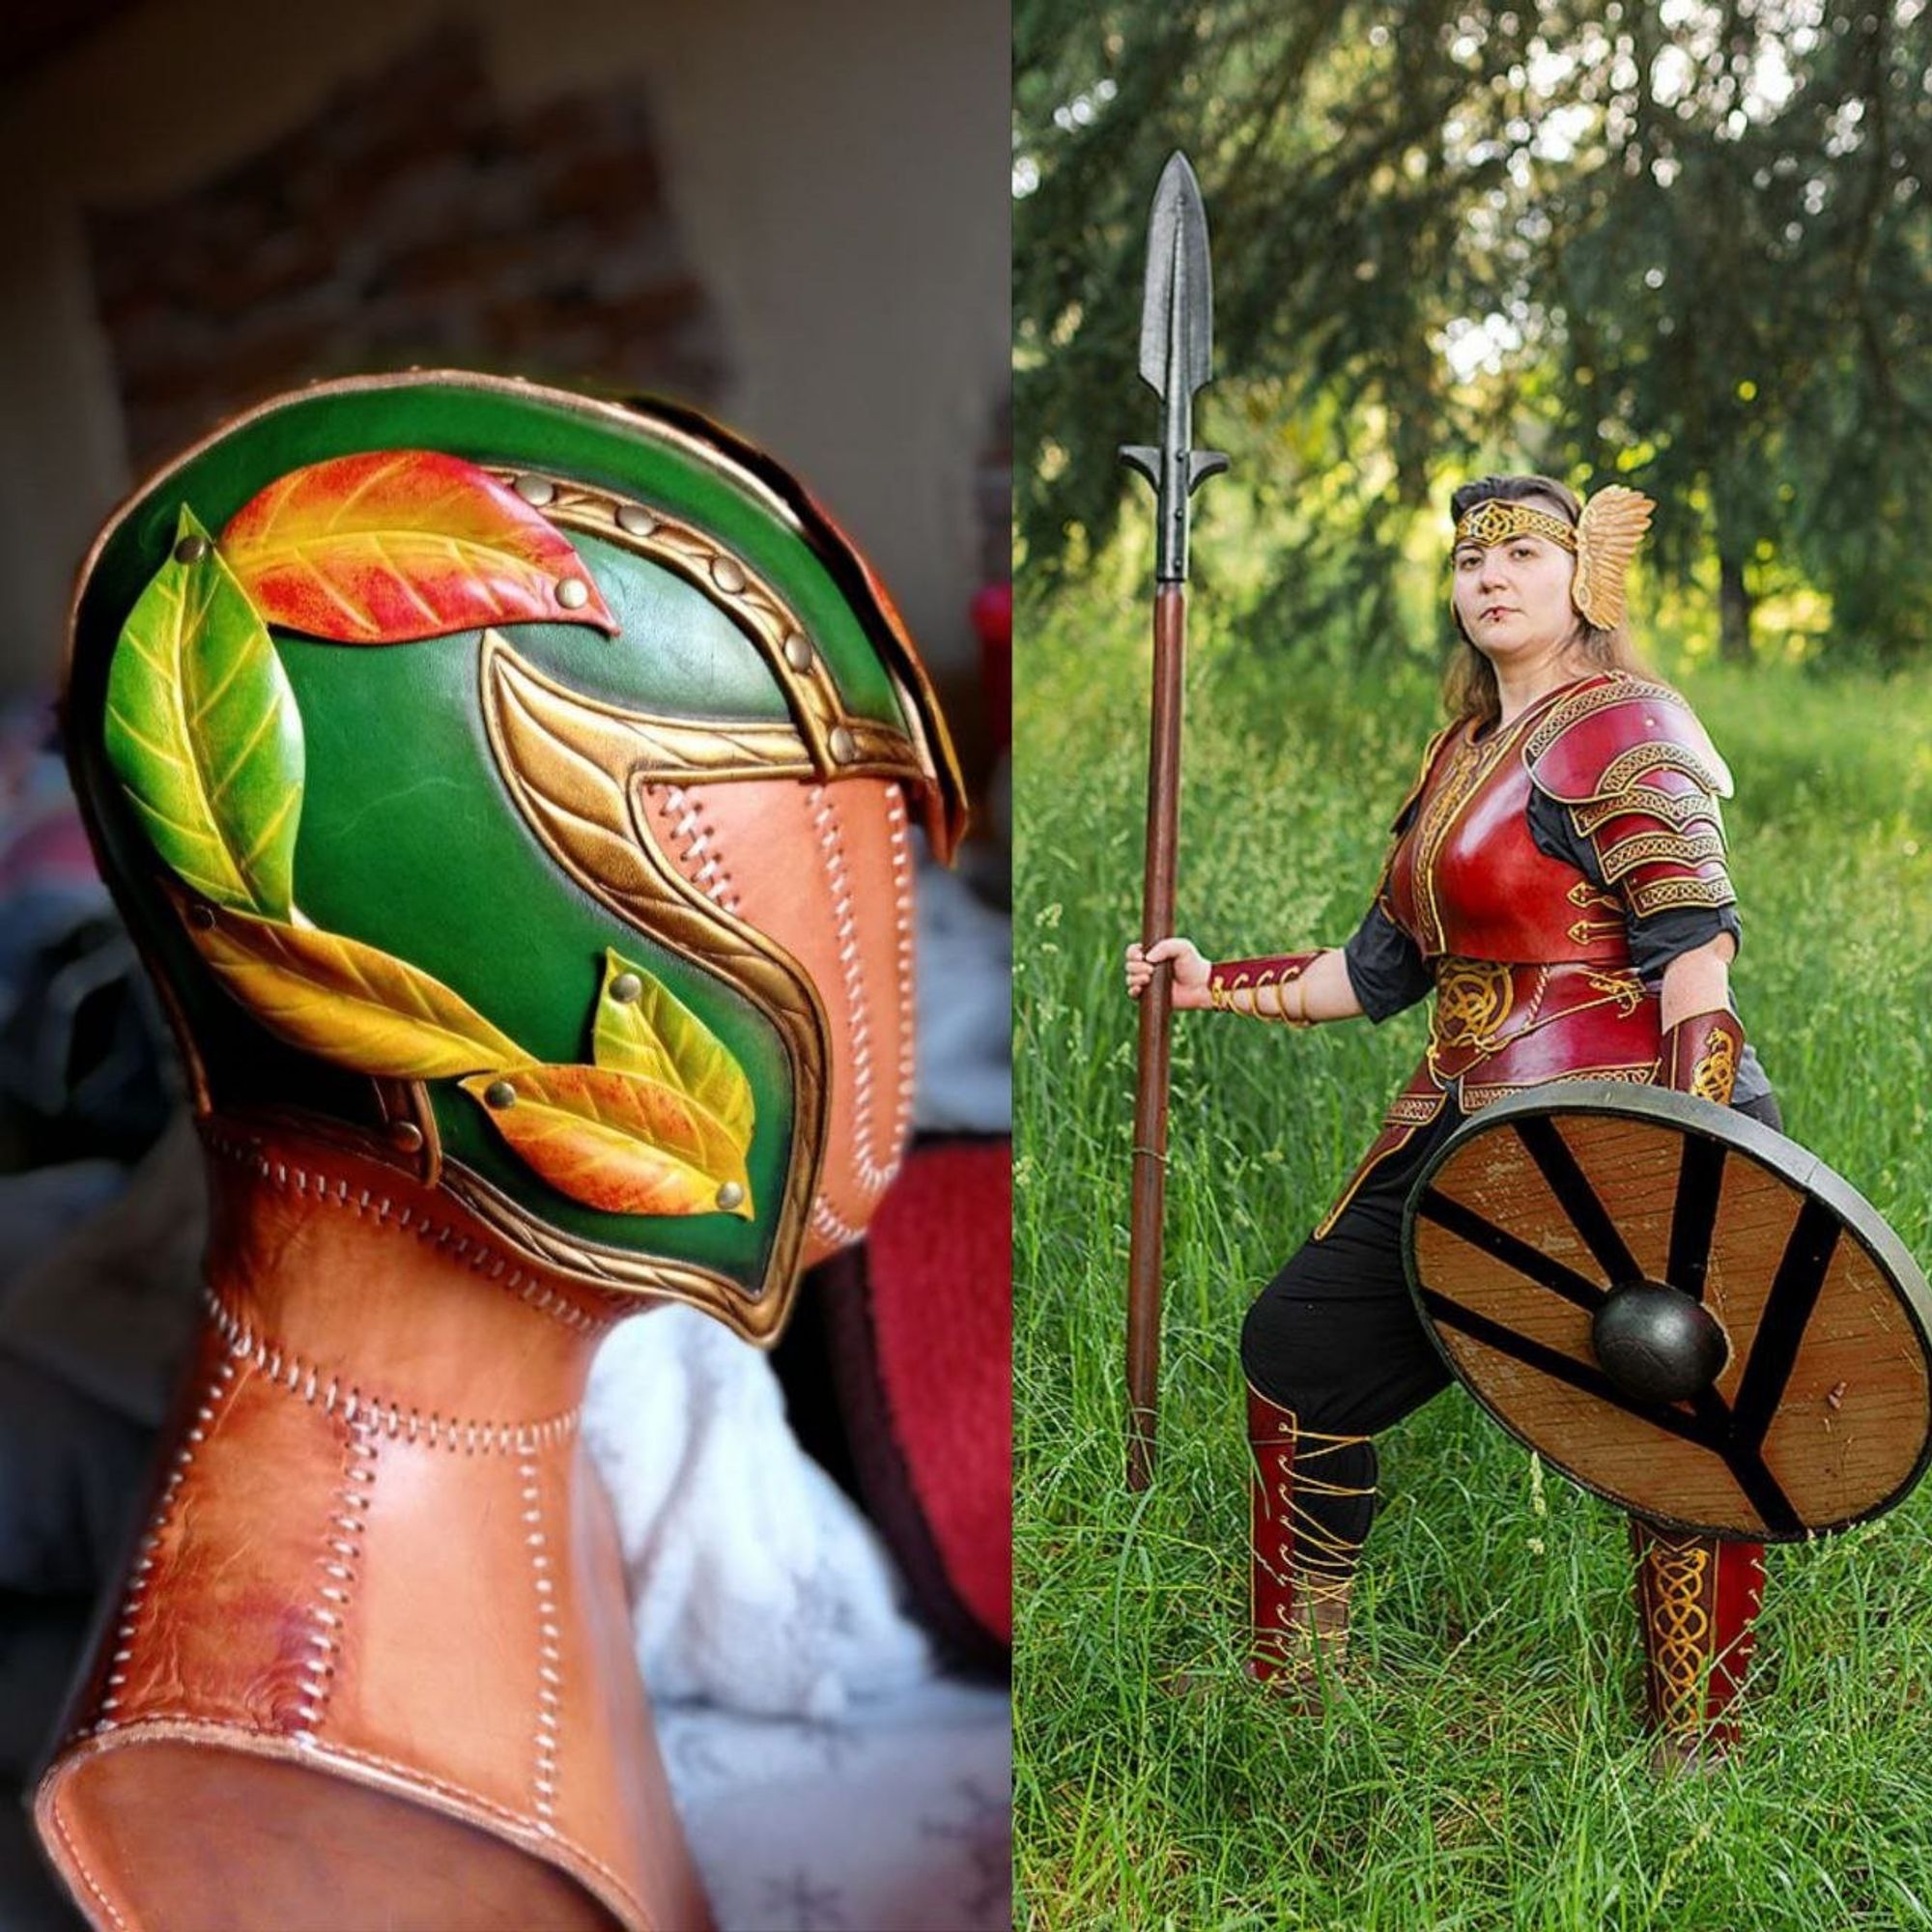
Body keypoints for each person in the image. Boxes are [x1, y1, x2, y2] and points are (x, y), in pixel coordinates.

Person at [1123, 473, 1778, 1767]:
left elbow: (1698, 967)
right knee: (1303, 1355)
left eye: (1522, 553)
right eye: (1470, 560)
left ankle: (1698, 1746)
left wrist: (1691, 1186)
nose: (1489, 577)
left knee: (1670, 1418)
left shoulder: (1623, 728)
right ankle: (1301, 1691)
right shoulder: (1465, 755)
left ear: (1584, 576)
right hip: (1465, 1122)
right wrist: (1211, 986)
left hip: (1626, 1128)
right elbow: (1377, 974)